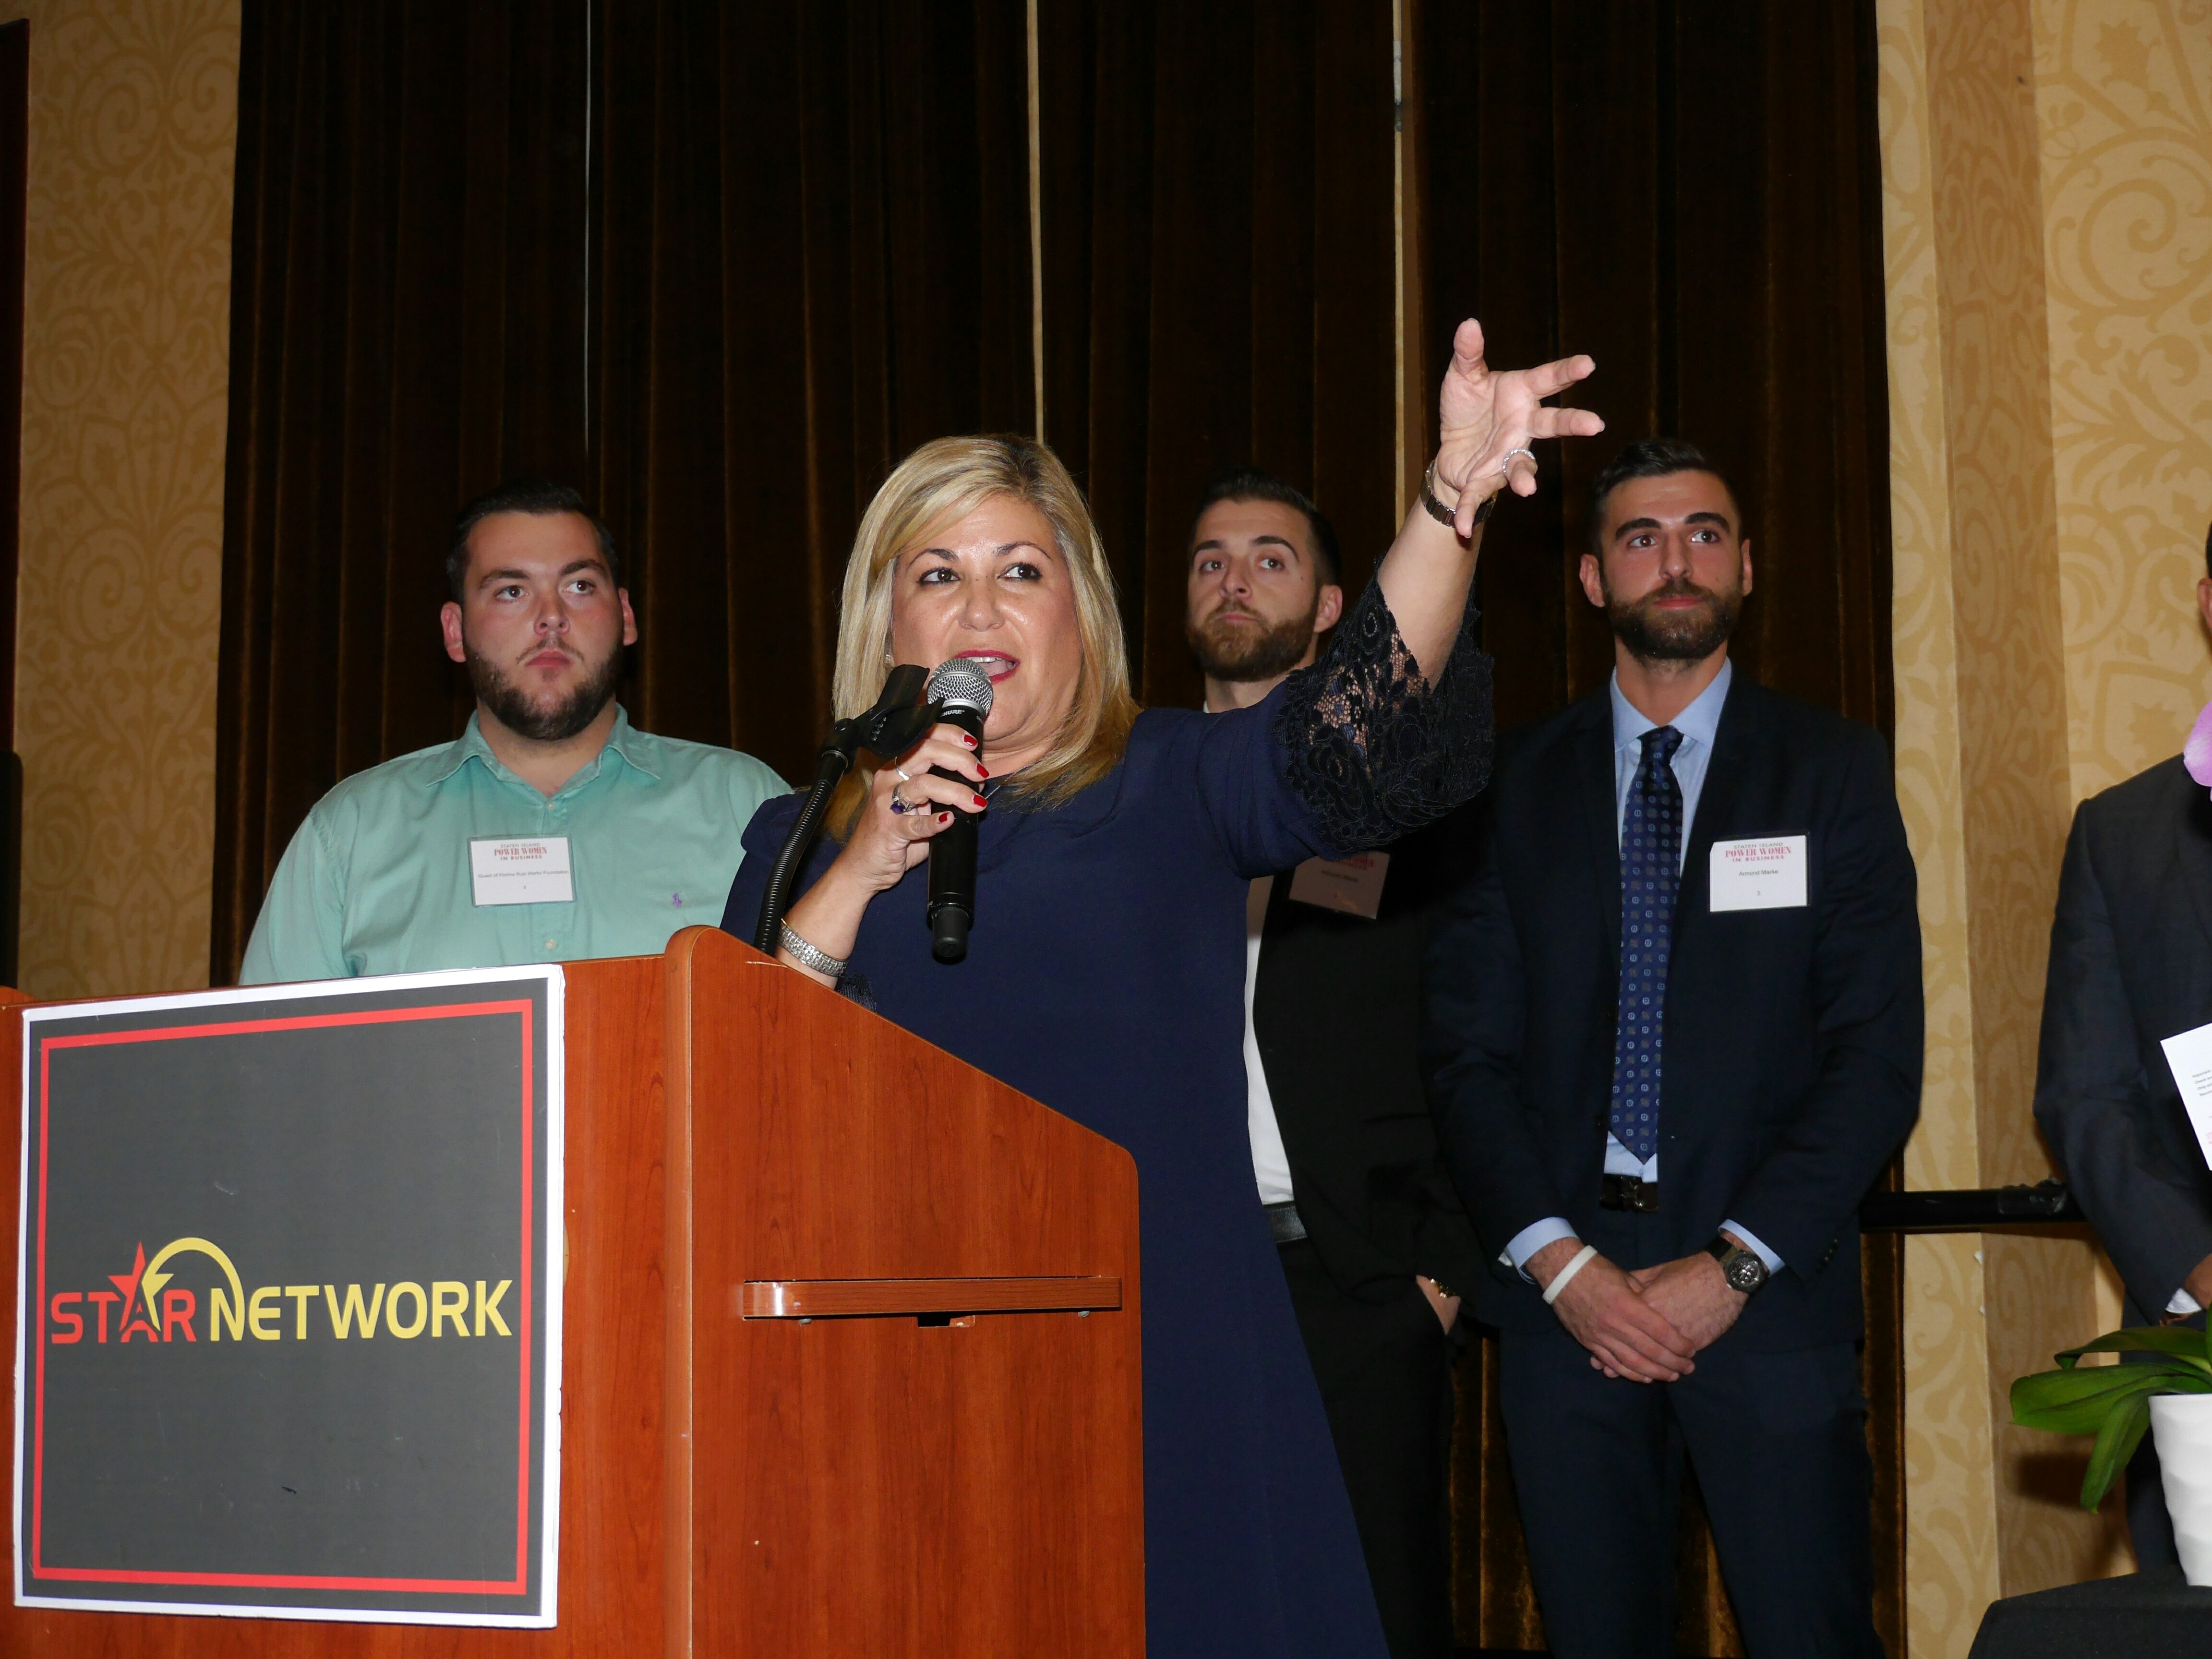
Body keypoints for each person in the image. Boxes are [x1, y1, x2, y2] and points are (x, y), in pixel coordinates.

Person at [721, 318, 1604, 1659]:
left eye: (1021, 570)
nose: (979, 609)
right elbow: (740, 1093)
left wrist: (1446, 505)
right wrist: (858, 871)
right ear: (886, 618)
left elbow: (1355, 732)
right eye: (938, 573)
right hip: (892, 1370)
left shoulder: (1174, 781)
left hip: (1160, 1355)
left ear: (1078, 609)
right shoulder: (798, 837)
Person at [1422, 438, 1921, 1656]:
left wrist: (1731, 1266)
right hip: (1563, 1311)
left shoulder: (1833, 769)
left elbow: (1875, 1058)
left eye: (1704, 533)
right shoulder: (1502, 785)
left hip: (1769, 1303)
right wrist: (1563, 1269)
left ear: (1746, 565)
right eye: (1640, 538)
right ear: (1595, 578)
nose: (1676, 560)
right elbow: (1465, 1057)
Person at [1185, 464, 1487, 1659]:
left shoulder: (1403, 797)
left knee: (1378, 1614)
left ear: (1327, 605)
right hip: (1177, 1281)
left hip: (1360, 1284)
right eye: (1210, 559)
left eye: (1269, 558)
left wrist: (1439, 1275)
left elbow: (1476, 1034)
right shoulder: (1133, 787)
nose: (1234, 580)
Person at [241, 478, 786, 983]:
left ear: (625, 615)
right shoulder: (351, 834)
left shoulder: (746, 805)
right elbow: (271, 1049)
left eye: (579, 585)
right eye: (510, 591)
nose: (551, 617)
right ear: (455, 631)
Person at [2033, 516, 2212, 1569]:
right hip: (2198, 1349)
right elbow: (2084, 1094)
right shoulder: (2122, 834)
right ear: (2208, 606)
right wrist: (2196, 1264)